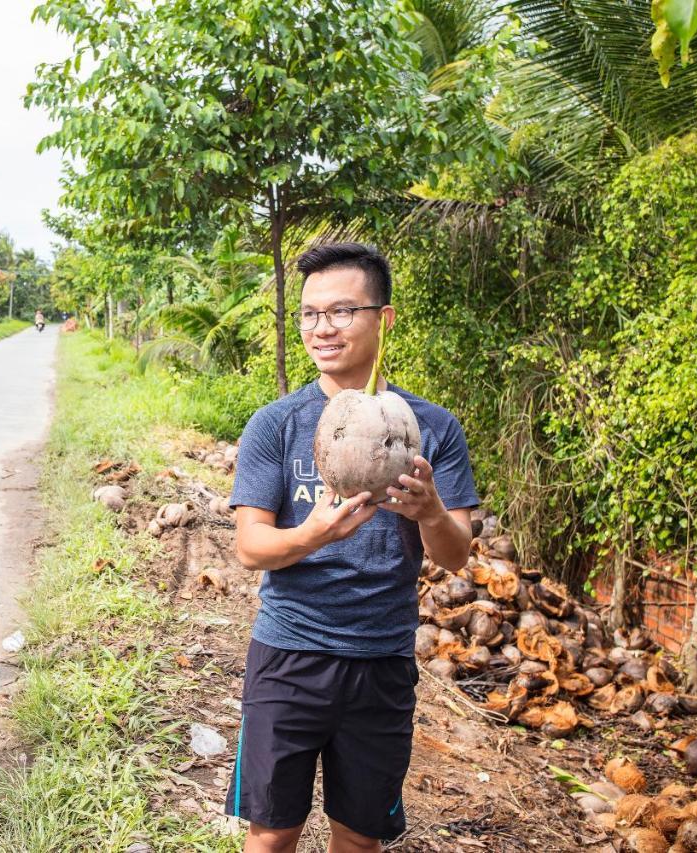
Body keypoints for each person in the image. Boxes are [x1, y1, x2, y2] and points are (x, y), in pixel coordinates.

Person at [224, 242, 478, 853]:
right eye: (309, 314)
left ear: (383, 319)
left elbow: (456, 555)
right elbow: (251, 548)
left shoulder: (432, 426)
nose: (321, 328)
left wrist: (431, 512)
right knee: (270, 835)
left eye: (340, 311)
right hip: (289, 655)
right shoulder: (276, 423)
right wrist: (315, 533)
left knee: (361, 841)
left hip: (382, 662)